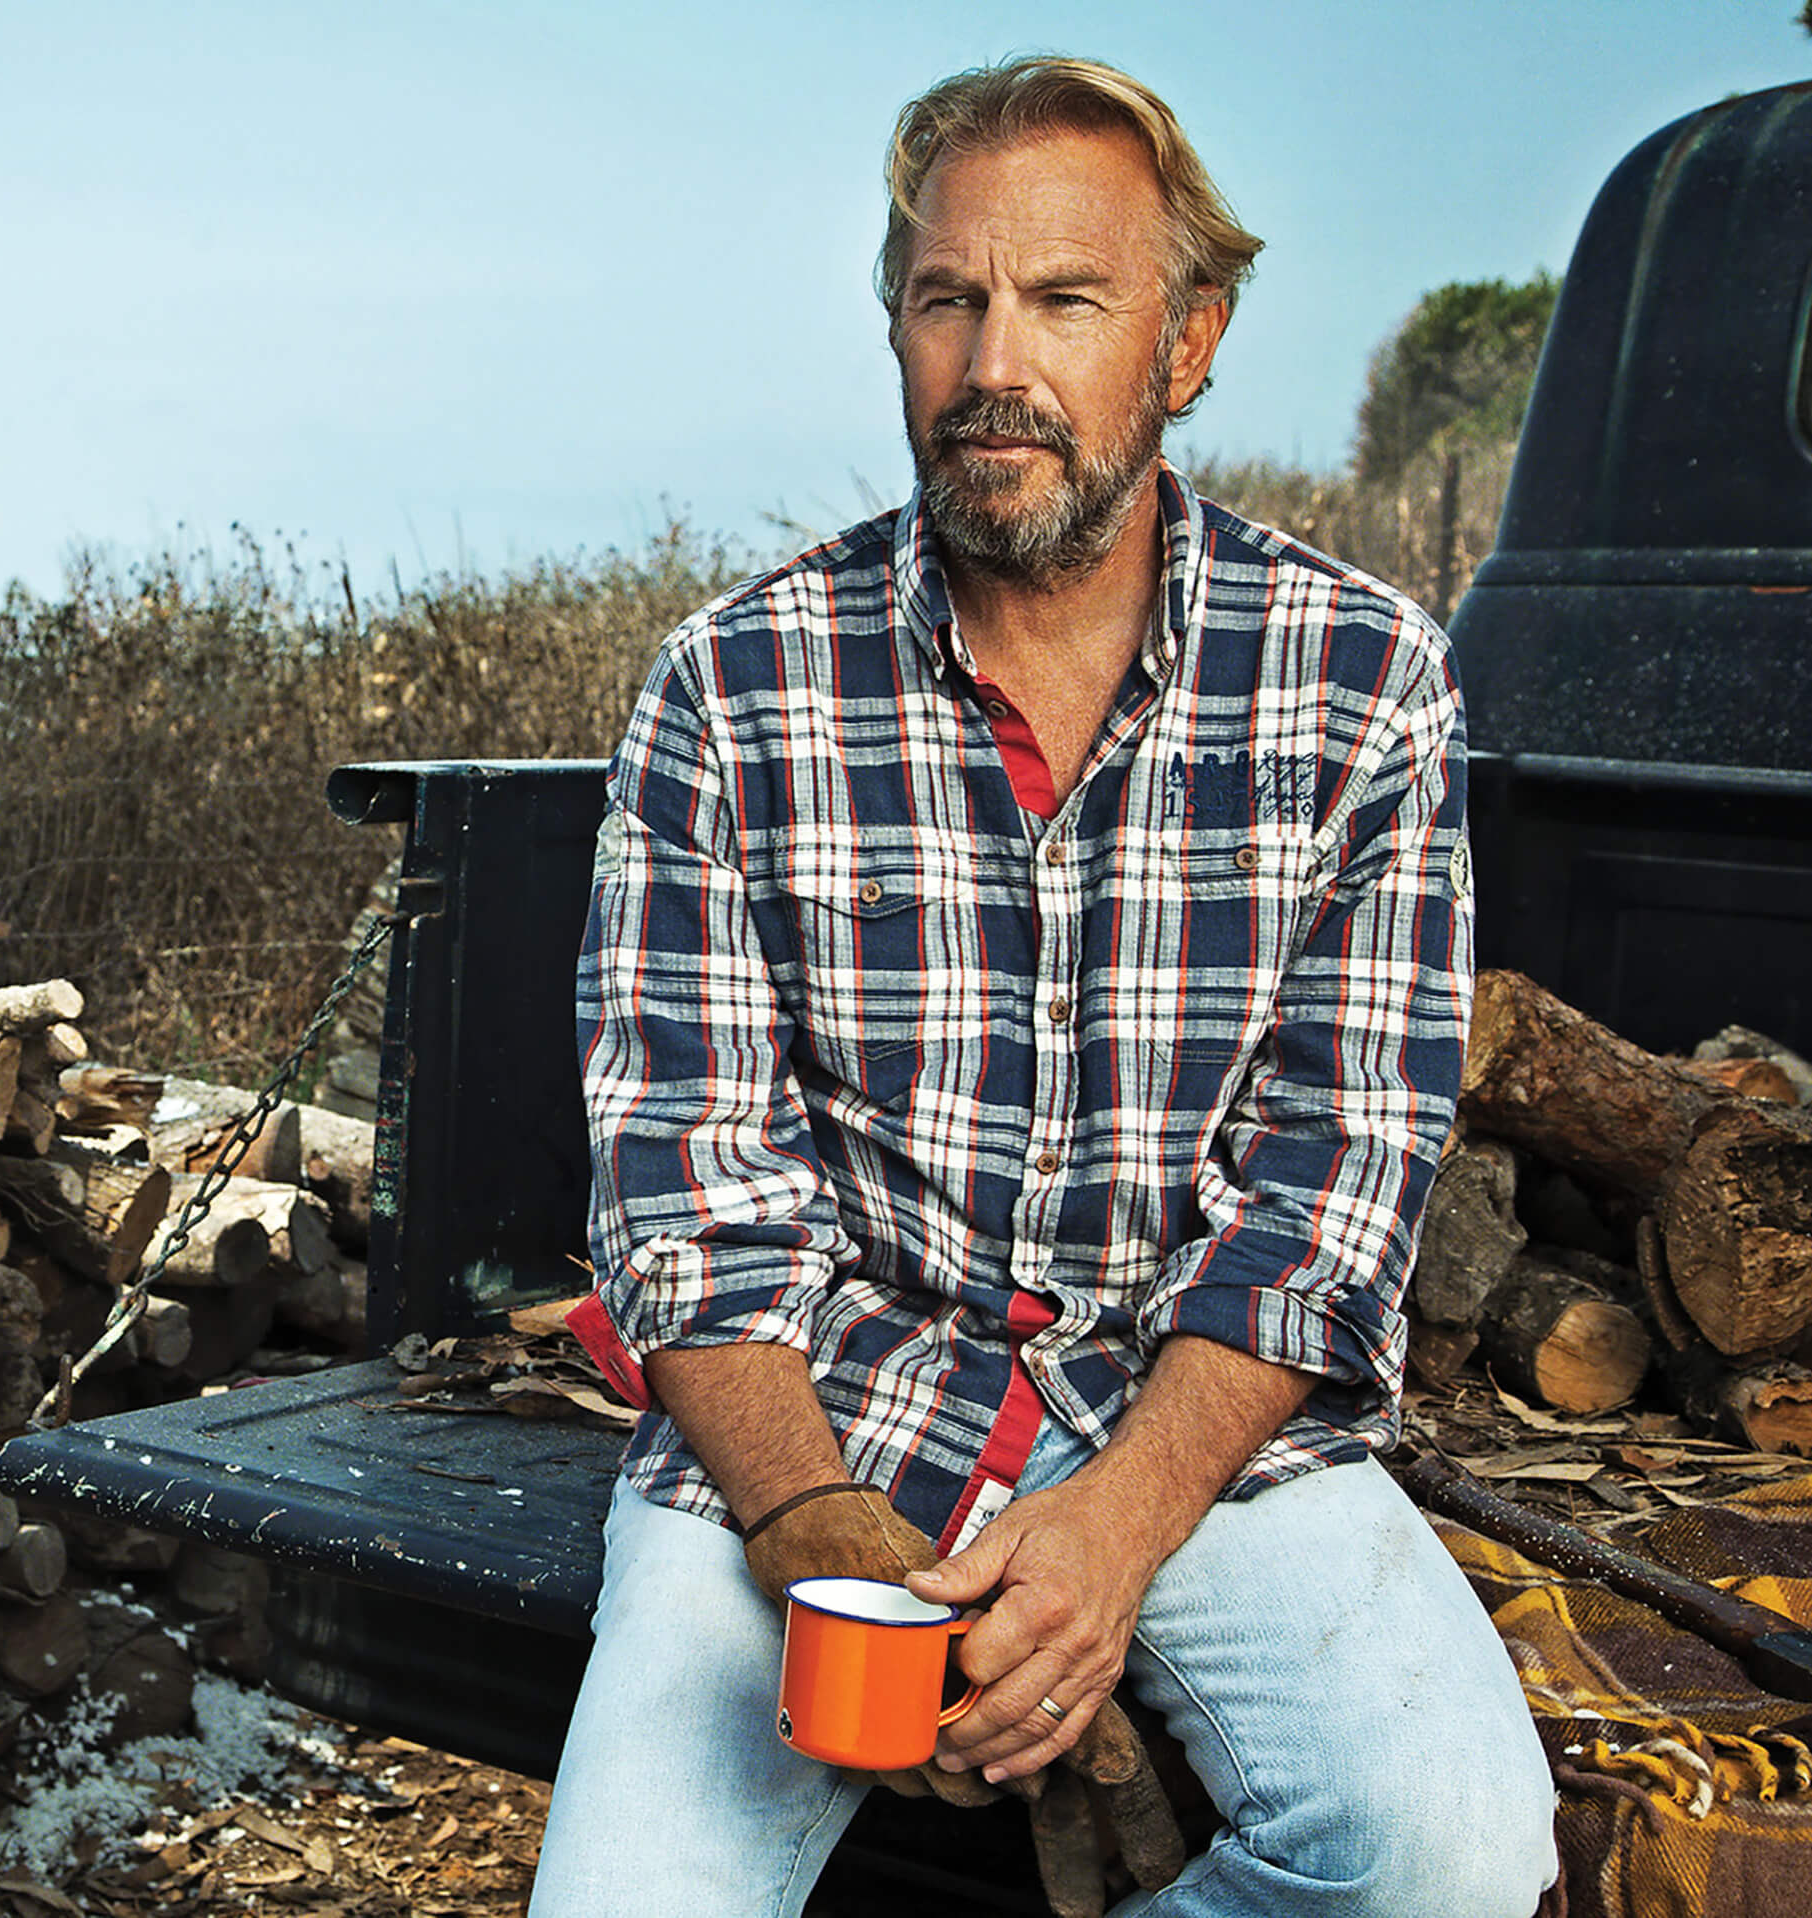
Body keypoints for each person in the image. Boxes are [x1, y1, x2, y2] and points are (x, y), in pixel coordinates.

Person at [528, 53, 1561, 1918]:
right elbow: (684, 1193)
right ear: (900, 326)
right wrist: (806, 1519)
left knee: (1449, 1856)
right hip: (825, 1406)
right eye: (947, 298)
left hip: (1192, 1415)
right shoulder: (731, 682)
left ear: (1187, 342)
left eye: (1065, 298)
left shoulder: (1361, 677)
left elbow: (1336, 1183)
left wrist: (1120, 1524)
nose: (994, 359)